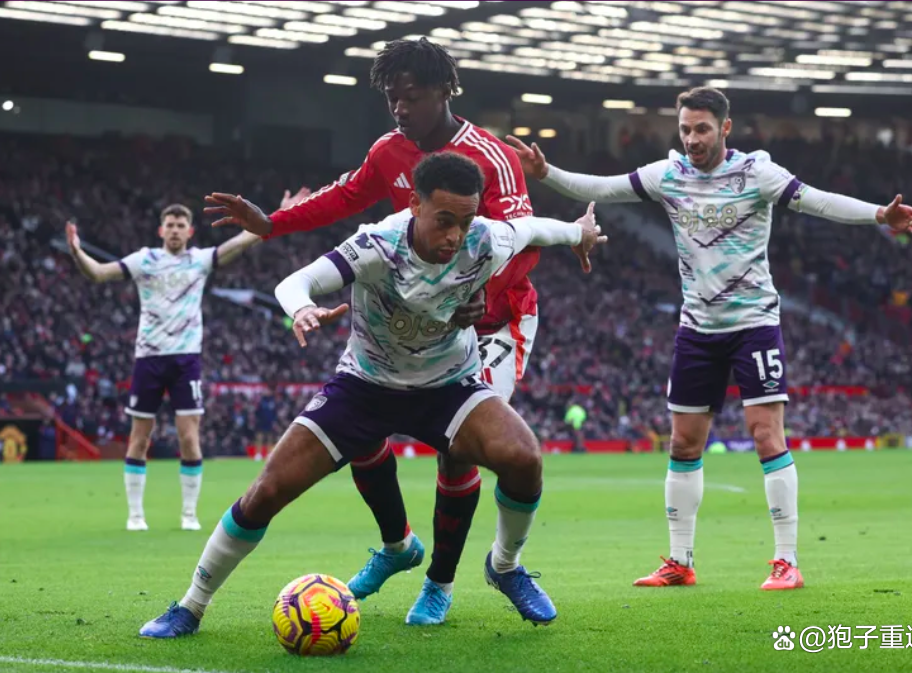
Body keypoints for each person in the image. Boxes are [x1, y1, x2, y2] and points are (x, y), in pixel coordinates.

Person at [138, 152, 606, 638]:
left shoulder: (486, 237)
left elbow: (533, 229)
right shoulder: (375, 245)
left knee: (524, 457)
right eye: (444, 220)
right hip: (366, 385)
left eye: (464, 221)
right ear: (415, 204)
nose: (455, 235)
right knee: (266, 492)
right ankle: (190, 606)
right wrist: (302, 309)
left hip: (449, 385)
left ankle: (505, 566)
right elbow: (295, 282)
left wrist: (580, 233)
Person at [508, 86, 912, 591]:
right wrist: (547, 173)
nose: (692, 139)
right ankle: (680, 561)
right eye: (685, 129)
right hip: (697, 329)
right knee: (684, 442)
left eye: (702, 129)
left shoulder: (757, 174)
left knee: (765, 433)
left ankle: (786, 560)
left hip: (754, 323)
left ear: (725, 128)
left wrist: (880, 214)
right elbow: (603, 186)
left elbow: (818, 201)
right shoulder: (669, 175)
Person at [202, 38, 546, 625]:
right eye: (392, 97)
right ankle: (396, 546)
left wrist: (474, 297)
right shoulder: (389, 151)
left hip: (490, 321)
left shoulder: (490, 156)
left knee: (459, 453)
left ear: (444, 91)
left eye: (410, 96)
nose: (399, 108)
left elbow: (521, 238)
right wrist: (272, 224)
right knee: (362, 433)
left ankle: (440, 583)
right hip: (405, 324)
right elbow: (345, 196)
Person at [65, 204, 261, 531]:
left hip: (186, 360)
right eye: (169, 224)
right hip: (149, 359)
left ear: (189, 231)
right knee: (139, 438)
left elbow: (240, 242)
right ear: (160, 230)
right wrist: (75, 251)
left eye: (180, 224)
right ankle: (135, 516)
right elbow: (98, 273)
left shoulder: (199, 260)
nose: (174, 229)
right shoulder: (144, 260)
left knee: (189, 437)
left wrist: (280, 217)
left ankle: (188, 515)